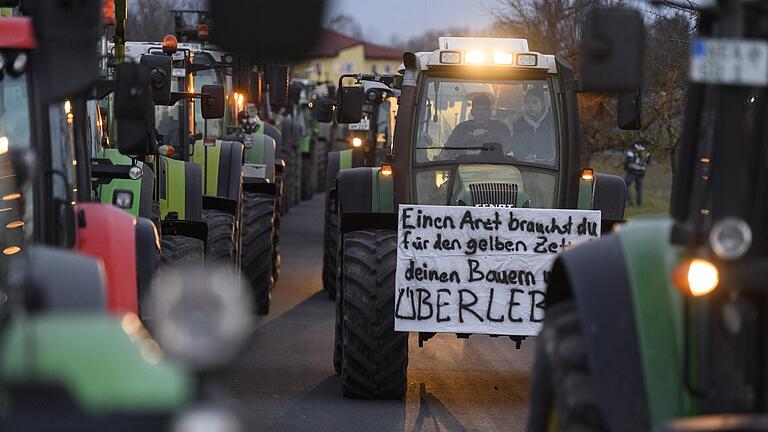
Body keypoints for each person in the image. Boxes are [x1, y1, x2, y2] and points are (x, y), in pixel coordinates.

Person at [441, 94, 512, 158]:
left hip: (496, 169)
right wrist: (470, 137)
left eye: (485, 110)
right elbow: (448, 151)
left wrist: (488, 136)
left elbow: (508, 147)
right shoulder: (461, 129)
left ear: (490, 112)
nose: (481, 114)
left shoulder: (500, 128)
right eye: (478, 110)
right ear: (472, 112)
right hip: (463, 167)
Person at [510, 87, 555, 162]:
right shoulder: (518, 124)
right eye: (528, 102)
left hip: (549, 167)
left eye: (535, 102)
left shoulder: (552, 122)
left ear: (543, 104)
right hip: (527, 166)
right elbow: (516, 150)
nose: (531, 106)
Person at [624, 141, 651, 206]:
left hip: (632, 172)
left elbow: (627, 162)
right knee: (639, 188)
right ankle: (639, 203)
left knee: (625, 185)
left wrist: (626, 167)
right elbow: (648, 162)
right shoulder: (646, 153)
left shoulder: (631, 152)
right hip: (641, 172)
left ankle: (629, 200)